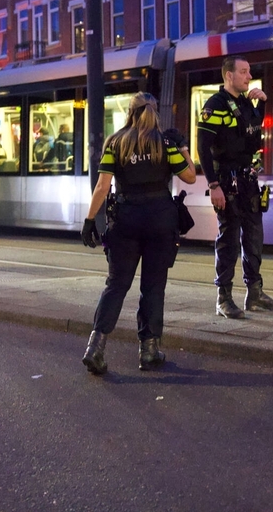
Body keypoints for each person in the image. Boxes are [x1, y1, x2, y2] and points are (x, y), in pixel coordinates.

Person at [79, 93, 196, 374]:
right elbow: (190, 176)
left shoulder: (116, 143)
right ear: (155, 112)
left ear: (129, 112)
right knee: (153, 287)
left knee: (116, 284)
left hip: (125, 219)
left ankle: (95, 348)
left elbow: (102, 187)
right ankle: (149, 351)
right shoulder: (165, 143)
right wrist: (182, 148)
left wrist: (89, 220)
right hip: (160, 221)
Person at [196, 56, 273, 318]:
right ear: (228, 76)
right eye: (243, 72)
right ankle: (223, 297)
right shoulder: (215, 105)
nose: (249, 76)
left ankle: (254, 293)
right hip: (226, 181)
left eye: (249, 71)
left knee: (254, 236)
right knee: (229, 239)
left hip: (248, 180)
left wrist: (264, 105)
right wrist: (213, 186)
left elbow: (254, 140)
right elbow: (203, 148)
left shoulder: (248, 103)